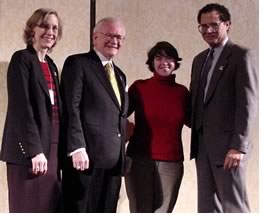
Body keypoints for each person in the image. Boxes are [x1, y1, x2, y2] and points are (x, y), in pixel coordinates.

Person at [189, 3, 258, 213]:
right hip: (202, 148)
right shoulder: (199, 60)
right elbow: (197, 103)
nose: (208, 30)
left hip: (229, 148)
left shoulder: (241, 55)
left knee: (233, 206)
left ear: (227, 25)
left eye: (214, 25)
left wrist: (238, 146)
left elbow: (248, 103)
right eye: (203, 26)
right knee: (207, 207)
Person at [60, 17, 128, 213]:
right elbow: (71, 107)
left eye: (120, 37)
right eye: (109, 35)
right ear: (95, 37)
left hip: (114, 161)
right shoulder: (78, 63)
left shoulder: (120, 74)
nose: (115, 41)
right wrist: (76, 147)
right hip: (85, 157)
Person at [0, 8, 63, 213]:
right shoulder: (21, 59)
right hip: (29, 150)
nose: (50, 32)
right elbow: (22, 109)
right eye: (44, 26)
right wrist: (35, 151)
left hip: (51, 146)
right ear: (32, 29)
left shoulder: (51, 65)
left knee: (48, 206)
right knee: (27, 207)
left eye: (54, 28)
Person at [125, 41, 190, 213]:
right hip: (139, 158)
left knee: (164, 210)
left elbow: (196, 122)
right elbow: (118, 114)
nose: (164, 62)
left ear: (176, 63)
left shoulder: (182, 93)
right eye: (159, 58)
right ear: (151, 63)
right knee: (140, 209)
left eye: (169, 58)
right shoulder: (139, 87)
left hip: (171, 162)